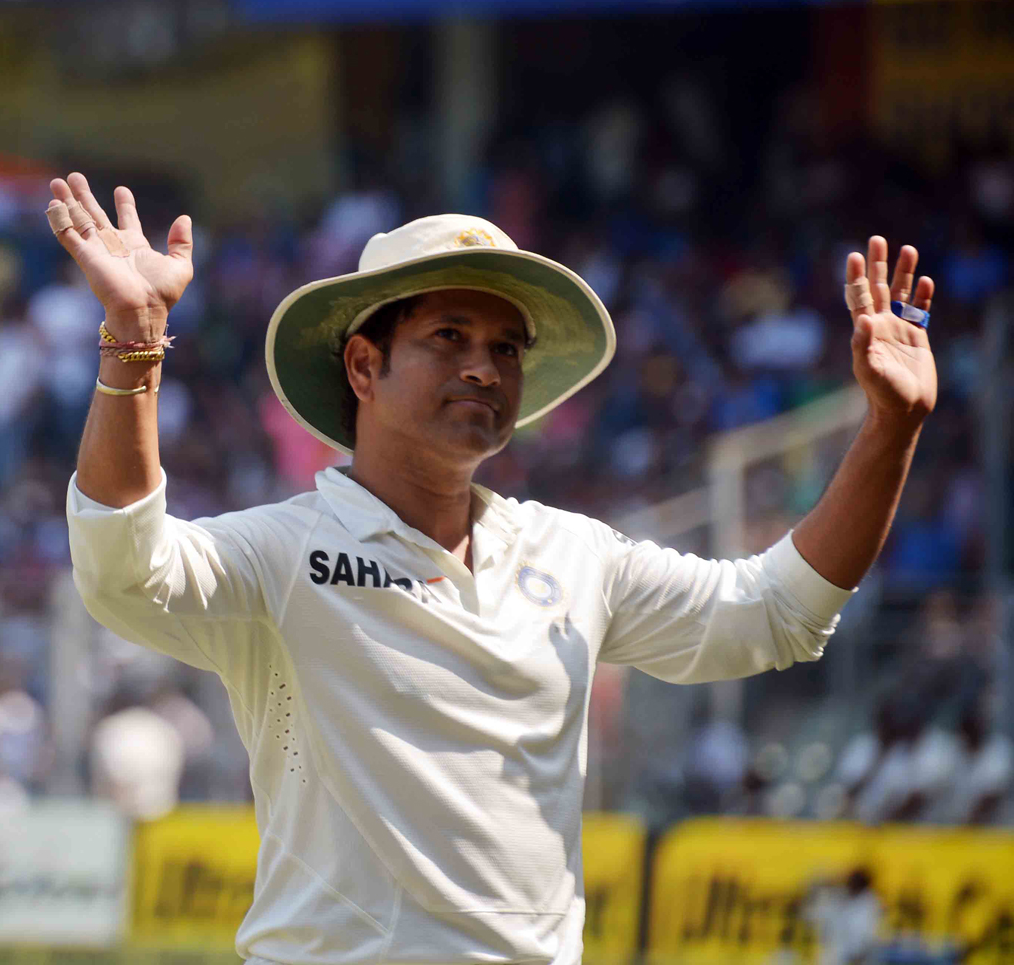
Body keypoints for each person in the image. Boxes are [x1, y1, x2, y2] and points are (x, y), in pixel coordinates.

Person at [47, 171, 937, 965]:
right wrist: (134, 340)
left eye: (506, 348)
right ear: (364, 364)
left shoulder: (575, 554)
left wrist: (890, 429)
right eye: (449, 335)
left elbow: (776, 614)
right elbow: (123, 567)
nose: (484, 366)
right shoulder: (281, 553)